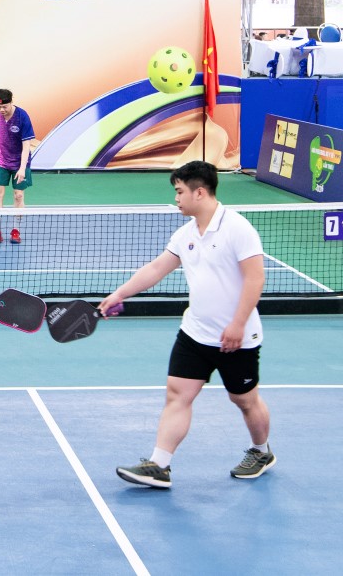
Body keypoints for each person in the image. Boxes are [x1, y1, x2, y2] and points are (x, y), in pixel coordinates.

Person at [105, 161, 273, 489]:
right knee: (177, 395)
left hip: (236, 337)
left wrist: (237, 324)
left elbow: (255, 279)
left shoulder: (238, 229)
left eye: (180, 191)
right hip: (195, 332)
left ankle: (261, 451)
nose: (176, 198)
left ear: (200, 192)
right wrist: (119, 294)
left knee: (244, 400)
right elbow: (156, 269)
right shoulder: (185, 234)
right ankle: (159, 465)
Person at [0, 88, 38, 244]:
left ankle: (15, 231)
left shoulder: (22, 116)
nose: (1, 110)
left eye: (4, 107)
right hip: (1, 160)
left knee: (18, 195)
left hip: (20, 161)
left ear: (11, 102)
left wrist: (22, 168)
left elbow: (26, 146)